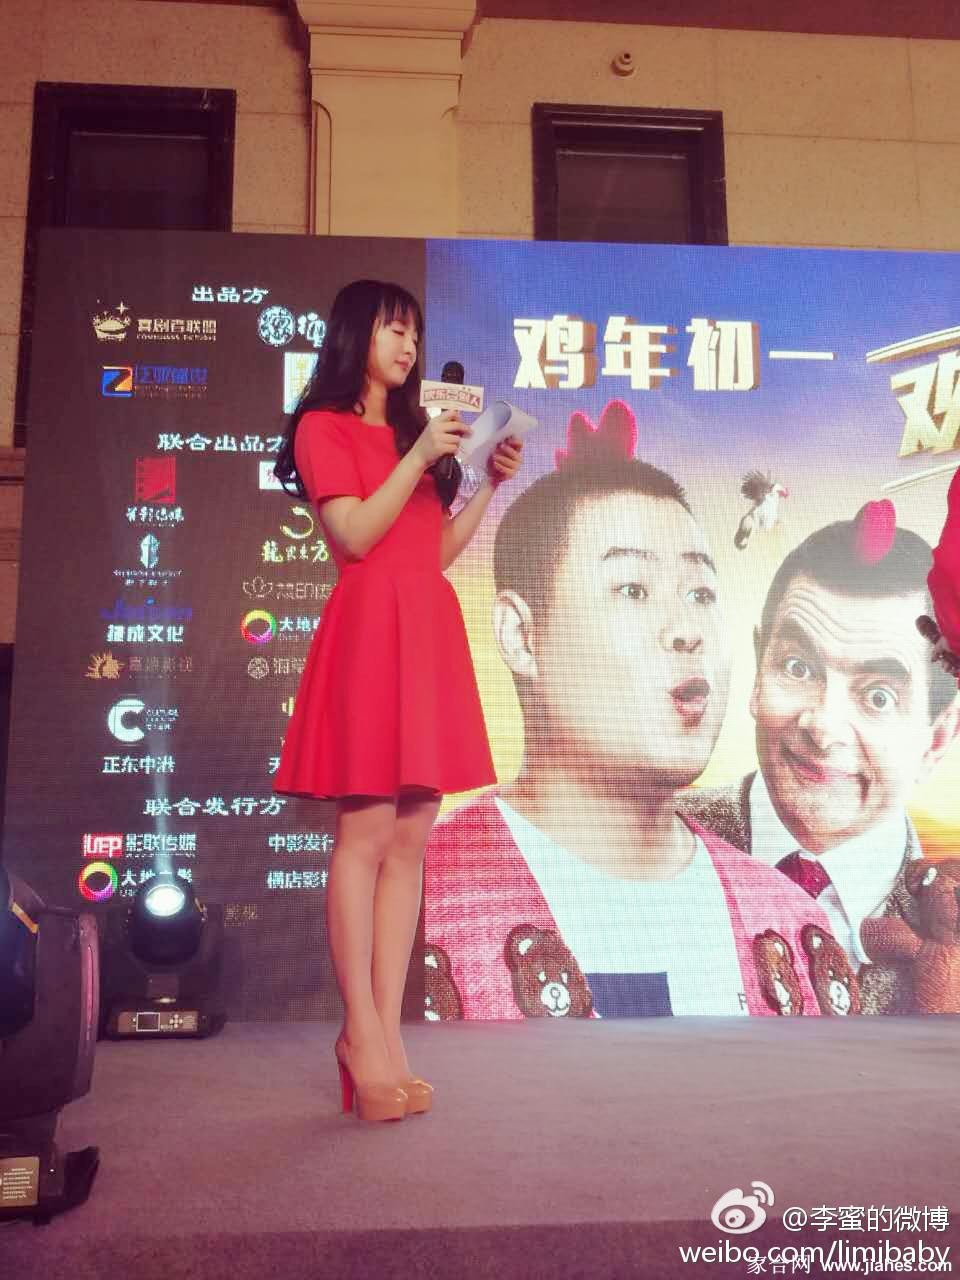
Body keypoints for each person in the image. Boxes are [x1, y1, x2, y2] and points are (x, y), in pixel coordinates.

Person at [424, 400, 835, 1021]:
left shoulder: (792, 925)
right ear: (521, 636)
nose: (687, 631)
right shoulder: (421, 893)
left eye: (701, 593)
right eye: (634, 590)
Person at [272, 279, 523, 1121]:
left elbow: (433, 551)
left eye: (414, 332)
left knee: (412, 835)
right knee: (367, 833)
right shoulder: (323, 426)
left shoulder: (420, 436)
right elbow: (352, 535)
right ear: (357, 337)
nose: (408, 346)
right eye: (392, 330)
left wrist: (485, 484)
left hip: (425, 628)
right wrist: (417, 458)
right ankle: (361, 1032)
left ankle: (388, 1038)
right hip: (371, 631)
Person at [679, 501, 960, 1014]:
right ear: (758, 671)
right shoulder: (645, 839)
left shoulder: (947, 920)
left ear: (937, 738)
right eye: (797, 667)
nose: (822, 726)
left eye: (878, 696)